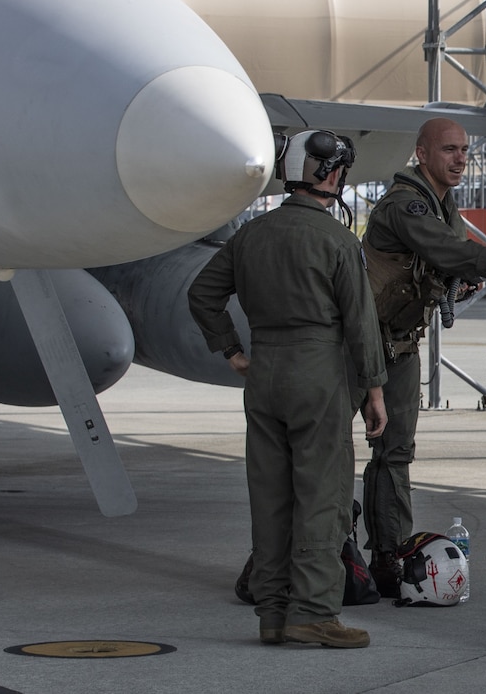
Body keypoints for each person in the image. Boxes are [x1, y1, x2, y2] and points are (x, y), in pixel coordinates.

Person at [187, 130, 388, 648]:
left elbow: (202, 293)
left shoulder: (250, 236)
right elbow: (361, 323)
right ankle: (315, 612)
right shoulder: (339, 240)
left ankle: (273, 614)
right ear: (329, 175)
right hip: (317, 372)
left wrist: (232, 351)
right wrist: (374, 389)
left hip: (264, 373)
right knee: (323, 496)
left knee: (271, 497)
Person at [361, 117, 486, 596]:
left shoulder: (443, 203)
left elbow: (447, 260)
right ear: (422, 154)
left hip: (400, 345)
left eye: (464, 150)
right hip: (358, 342)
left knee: (395, 454)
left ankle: (388, 557)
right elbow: (450, 251)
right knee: (324, 457)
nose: (460, 158)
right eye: (449, 149)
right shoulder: (407, 203)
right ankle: (306, 558)